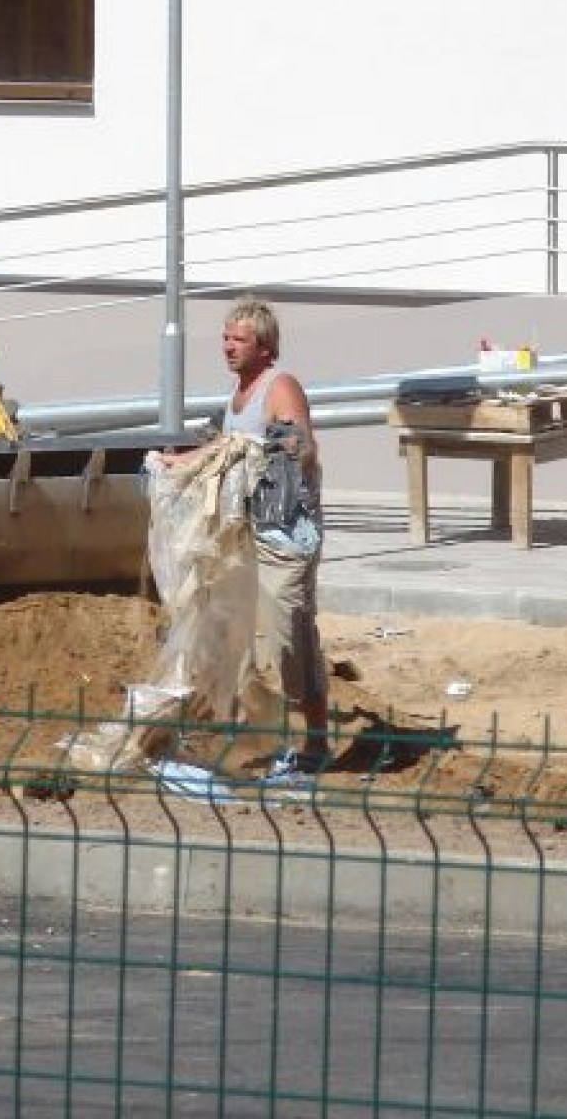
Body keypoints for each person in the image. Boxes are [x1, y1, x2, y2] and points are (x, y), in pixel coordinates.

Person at [218, 296, 334, 779]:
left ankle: (316, 740)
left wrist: (282, 444)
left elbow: (303, 446)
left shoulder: (278, 387)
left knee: (290, 637)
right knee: (237, 633)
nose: (228, 347)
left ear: (265, 348)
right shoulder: (237, 396)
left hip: (287, 534)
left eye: (239, 339)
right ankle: (255, 732)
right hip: (249, 531)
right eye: (225, 337)